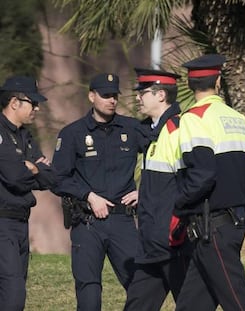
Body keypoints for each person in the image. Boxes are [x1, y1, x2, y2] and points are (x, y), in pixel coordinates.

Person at [173, 54, 245, 311]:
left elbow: (202, 175)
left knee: (239, 302)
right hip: (231, 226)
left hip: (210, 230)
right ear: (219, 82)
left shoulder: (193, 118)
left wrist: (176, 205)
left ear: (190, 85)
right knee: (191, 305)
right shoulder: (239, 119)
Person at [52, 73, 146, 310]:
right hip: (87, 222)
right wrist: (89, 196)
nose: (111, 100)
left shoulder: (133, 128)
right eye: (105, 95)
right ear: (91, 96)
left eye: (114, 95)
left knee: (141, 286)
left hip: (123, 222)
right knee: (89, 289)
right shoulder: (72, 133)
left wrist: (145, 191)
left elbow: (164, 154)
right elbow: (58, 179)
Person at [124, 68, 191, 310]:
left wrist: (176, 224)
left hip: (172, 241)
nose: (138, 97)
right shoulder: (152, 131)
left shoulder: (178, 129)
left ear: (161, 95)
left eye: (143, 92)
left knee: (189, 302)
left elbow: (191, 182)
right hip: (151, 241)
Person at [0, 76, 56, 310]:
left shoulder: (25, 135)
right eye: (32, 103)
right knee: (13, 292)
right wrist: (35, 168)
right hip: (2, 222)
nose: (37, 108)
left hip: (21, 221)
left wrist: (34, 168)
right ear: (14, 102)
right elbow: (13, 176)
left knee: (16, 286)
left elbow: (50, 177)